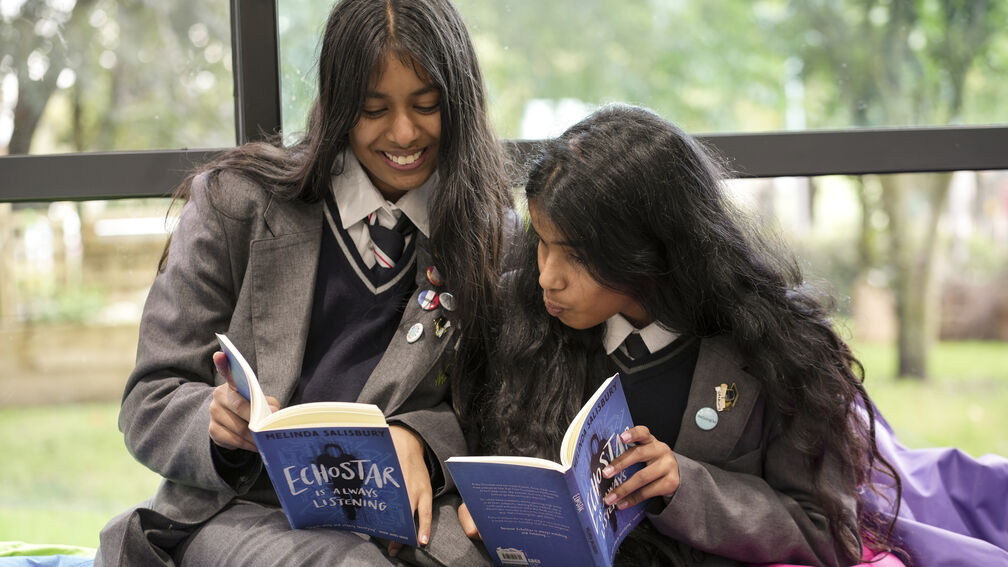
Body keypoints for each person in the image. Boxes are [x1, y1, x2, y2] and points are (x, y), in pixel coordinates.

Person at [95, 0, 511, 565]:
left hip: (404, 517)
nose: (404, 132)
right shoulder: (235, 204)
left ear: (458, 106)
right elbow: (151, 397)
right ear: (338, 107)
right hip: (243, 508)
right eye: (373, 109)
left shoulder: (488, 234)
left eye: (427, 106)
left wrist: (422, 441)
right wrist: (216, 427)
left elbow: (493, 409)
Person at [457, 104, 904, 566]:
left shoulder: (777, 347)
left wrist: (684, 485)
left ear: (648, 249)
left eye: (575, 255)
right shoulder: (518, 313)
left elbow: (827, 535)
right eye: (542, 243)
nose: (547, 277)